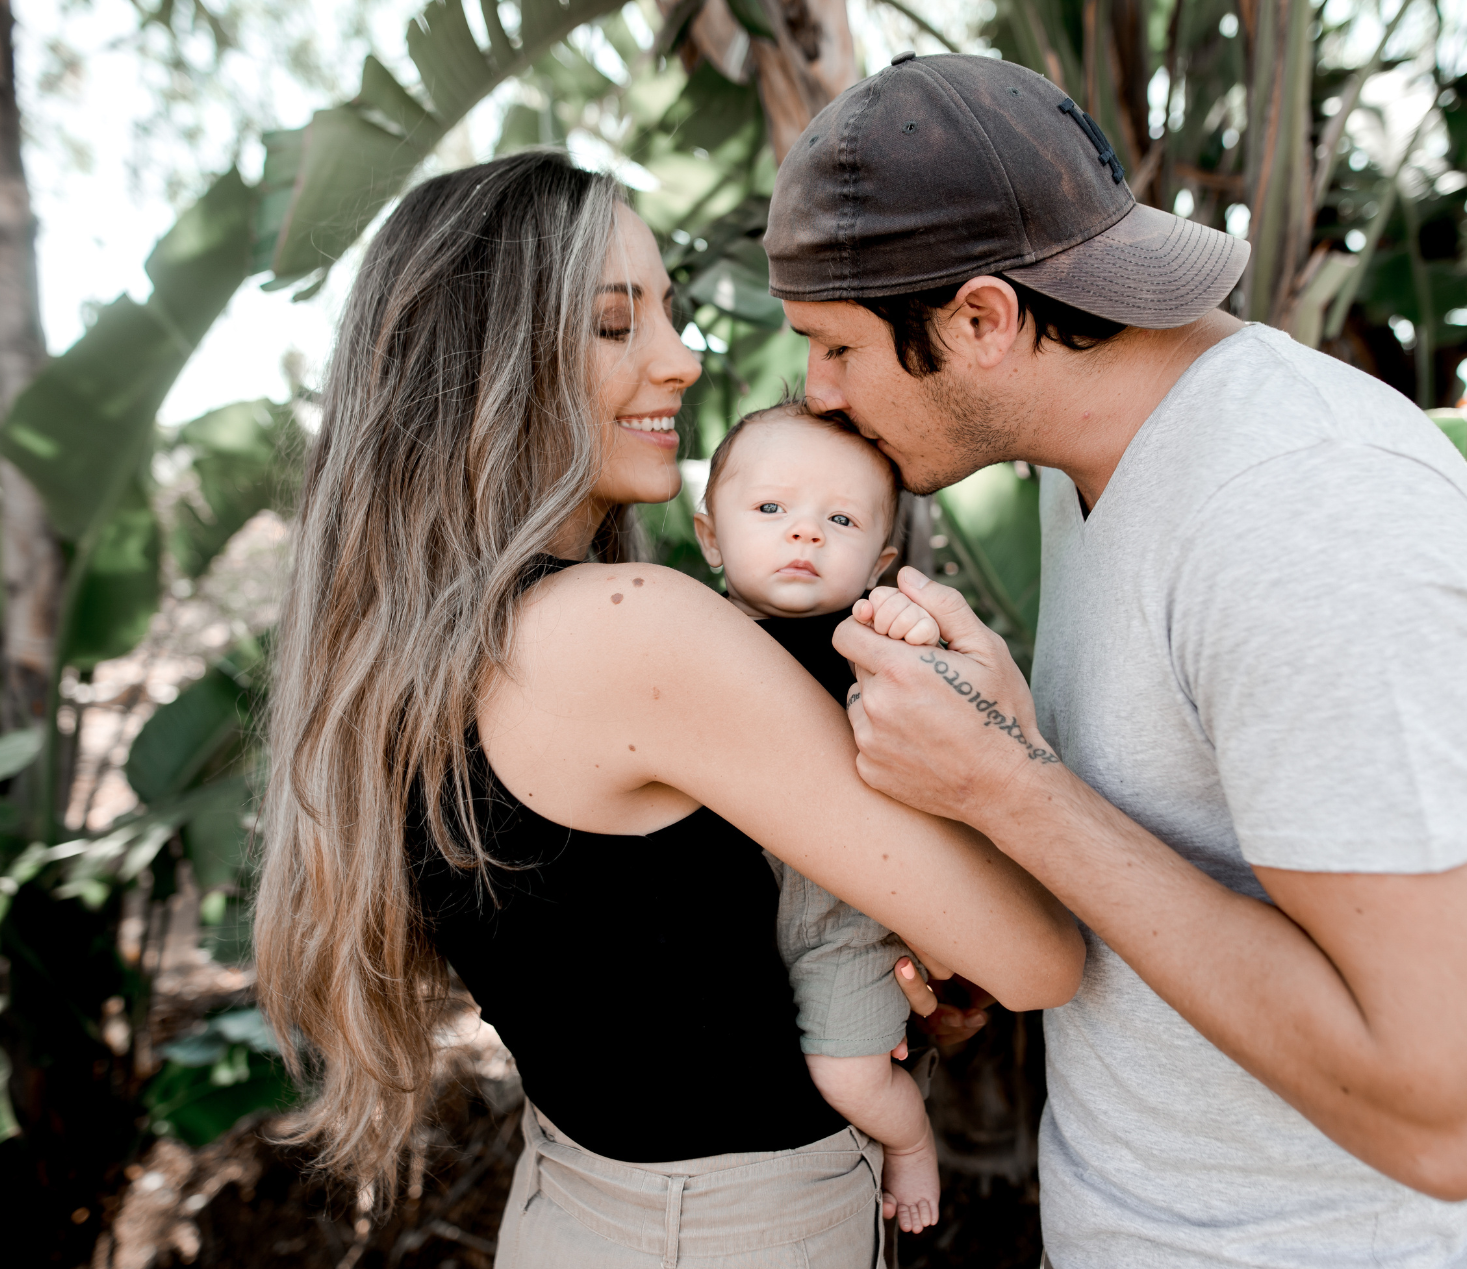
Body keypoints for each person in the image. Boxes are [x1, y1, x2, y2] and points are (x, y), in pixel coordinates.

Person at [763, 53, 1467, 1267]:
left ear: (982, 320)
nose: (816, 398)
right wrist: (1015, 884)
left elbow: (1456, 1110)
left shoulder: (1310, 510)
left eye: (834, 347)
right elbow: (1183, 862)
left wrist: (1012, 787)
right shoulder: (1095, 465)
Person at [253, 151, 1084, 1269]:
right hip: (732, 1227)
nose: (682, 360)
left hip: (576, 1200)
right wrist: (1005, 725)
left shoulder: (408, 650)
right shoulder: (630, 627)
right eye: (614, 323)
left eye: (671, 316)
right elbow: (1038, 958)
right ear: (490, 364)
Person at [691, 401, 945, 1233]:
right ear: (710, 537)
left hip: (846, 920)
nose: (805, 535)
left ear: (880, 559)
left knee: (848, 1074)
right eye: (770, 510)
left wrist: (913, 632)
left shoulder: (867, 641)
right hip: (734, 917)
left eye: (839, 520)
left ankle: (909, 1144)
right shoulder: (690, 637)